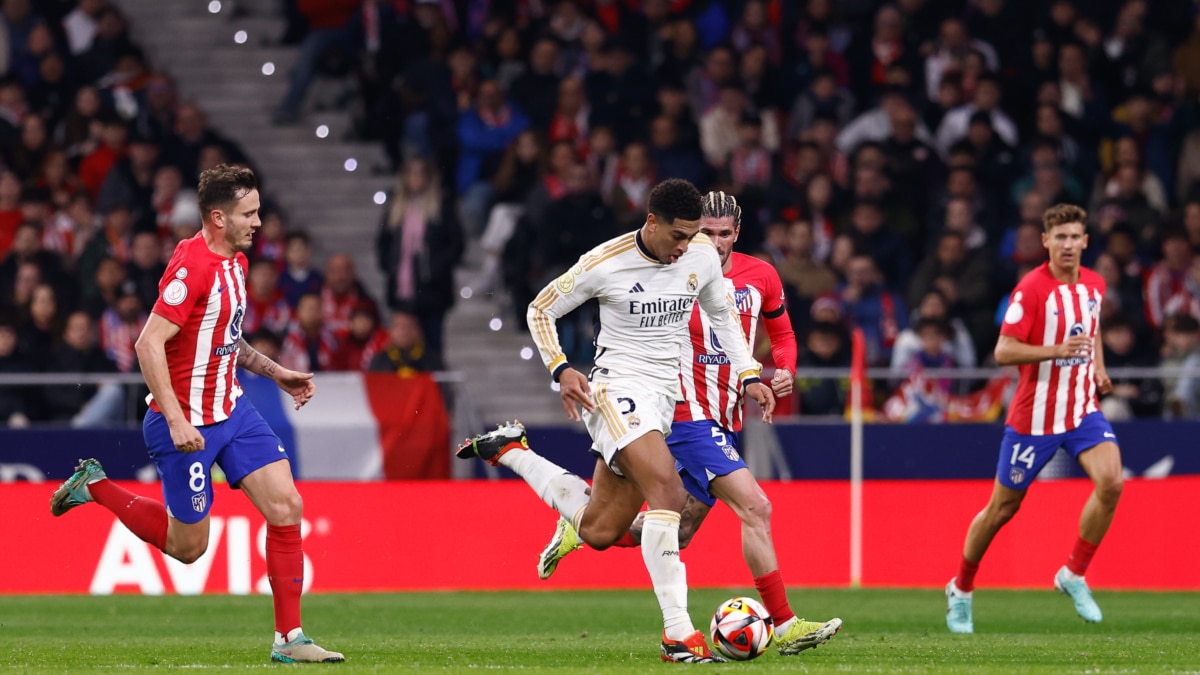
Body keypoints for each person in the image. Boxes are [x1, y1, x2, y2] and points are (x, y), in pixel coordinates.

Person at [457, 179, 774, 663]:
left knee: (600, 532)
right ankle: (678, 634)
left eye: (693, 237)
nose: (685, 247)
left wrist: (750, 373)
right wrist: (561, 368)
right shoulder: (605, 262)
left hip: (663, 399)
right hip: (615, 390)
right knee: (667, 492)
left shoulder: (701, 256)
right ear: (652, 223)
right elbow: (540, 309)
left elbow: (724, 317)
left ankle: (511, 451)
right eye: (678, 236)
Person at [48, 165, 343, 663]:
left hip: (232, 408)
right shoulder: (193, 269)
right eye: (248, 214)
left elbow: (226, 336)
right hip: (184, 423)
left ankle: (289, 640)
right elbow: (147, 344)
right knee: (189, 548)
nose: (258, 222)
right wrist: (178, 419)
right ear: (217, 217)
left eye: (257, 211)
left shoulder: (237, 262)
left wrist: (277, 373)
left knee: (286, 507)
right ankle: (95, 486)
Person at [536, 191, 843, 655]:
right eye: (702, 233)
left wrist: (760, 373)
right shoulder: (651, 262)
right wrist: (563, 367)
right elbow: (544, 308)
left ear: (737, 234)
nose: (710, 242)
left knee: (675, 528)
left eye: (721, 233)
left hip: (723, 414)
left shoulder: (744, 272)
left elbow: (769, 331)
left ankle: (582, 525)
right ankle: (775, 626)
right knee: (755, 507)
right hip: (682, 412)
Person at [946, 203, 1122, 634]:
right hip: (1034, 417)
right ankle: (961, 588)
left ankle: (1073, 573)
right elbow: (1003, 350)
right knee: (1002, 509)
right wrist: (1055, 351)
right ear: (1046, 242)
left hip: (1081, 408)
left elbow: (1092, 328)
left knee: (1111, 482)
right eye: (1059, 237)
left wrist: (1097, 366)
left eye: (1074, 237)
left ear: (1085, 241)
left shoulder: (1095, 284)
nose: (1067, 245)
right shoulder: (1031, 289)